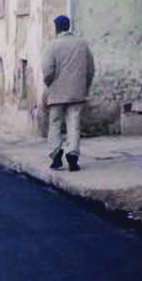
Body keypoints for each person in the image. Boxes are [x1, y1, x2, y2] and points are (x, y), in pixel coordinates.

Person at [41, 14, 95, 172]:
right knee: (74, 124)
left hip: (57, 92)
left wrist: (49, 84)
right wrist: (85, 86)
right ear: (69, 26)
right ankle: (73, 156)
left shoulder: (52, 46)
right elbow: (91, 69)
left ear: (56, 27)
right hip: (77, 91)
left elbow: (47, 70)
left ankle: (56, 155)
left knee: (55, 123)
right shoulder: (82, 44)